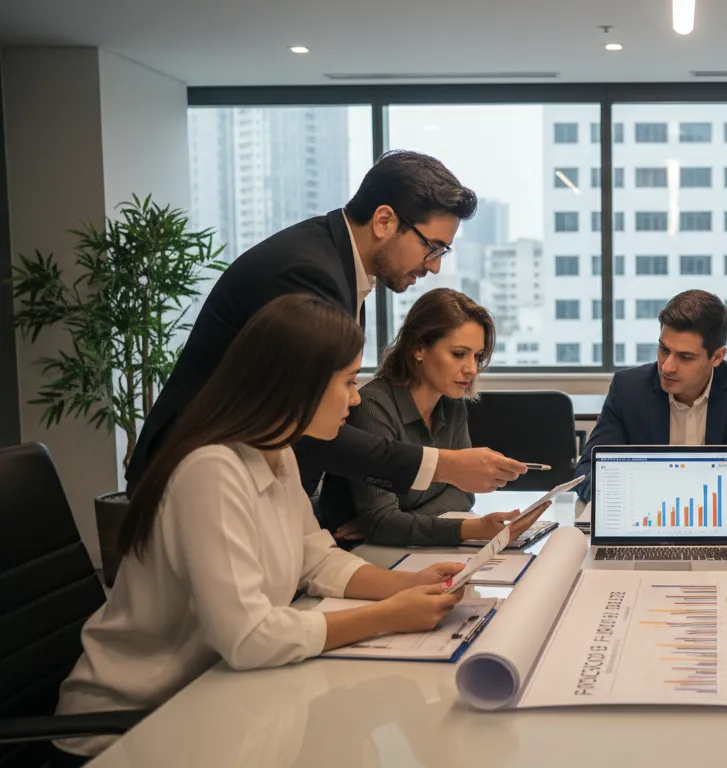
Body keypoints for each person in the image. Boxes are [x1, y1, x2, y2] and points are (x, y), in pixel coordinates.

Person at [54, 295, 471, 762]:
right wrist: (390, 616)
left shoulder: (276, 452)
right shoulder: (210, 470)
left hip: (210, 697)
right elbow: (248, 638)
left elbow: (317, 556)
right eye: (348, 382)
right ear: (300, 384)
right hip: (132, 727)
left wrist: (406, 585)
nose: (356, 399)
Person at [125, 150, 528, 499]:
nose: (436, 265)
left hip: (249, 479)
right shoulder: (306, 274)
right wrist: (444, 466)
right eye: (432, 246)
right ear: (385, 220)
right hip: (199, 479)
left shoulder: (341, 268)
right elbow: (299, 420)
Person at [318, 288, 547, 547]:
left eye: (477, 356)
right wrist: (473, 528)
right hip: (358, 553)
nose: (471, 368)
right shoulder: (372, 406)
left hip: (405, 546)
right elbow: (382, 525)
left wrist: (402, 522)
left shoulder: (451, 403)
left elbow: (462, 492)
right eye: (459, 354)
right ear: (419, 348)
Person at [574, 290, 727, 509]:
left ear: (717, 357)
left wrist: (722, 496)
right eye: (663, 349)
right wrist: (640, 495)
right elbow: (587, 471)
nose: (667, 367)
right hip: (647, 518)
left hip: (719, 517)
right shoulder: (628, 388)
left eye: (685, 357)